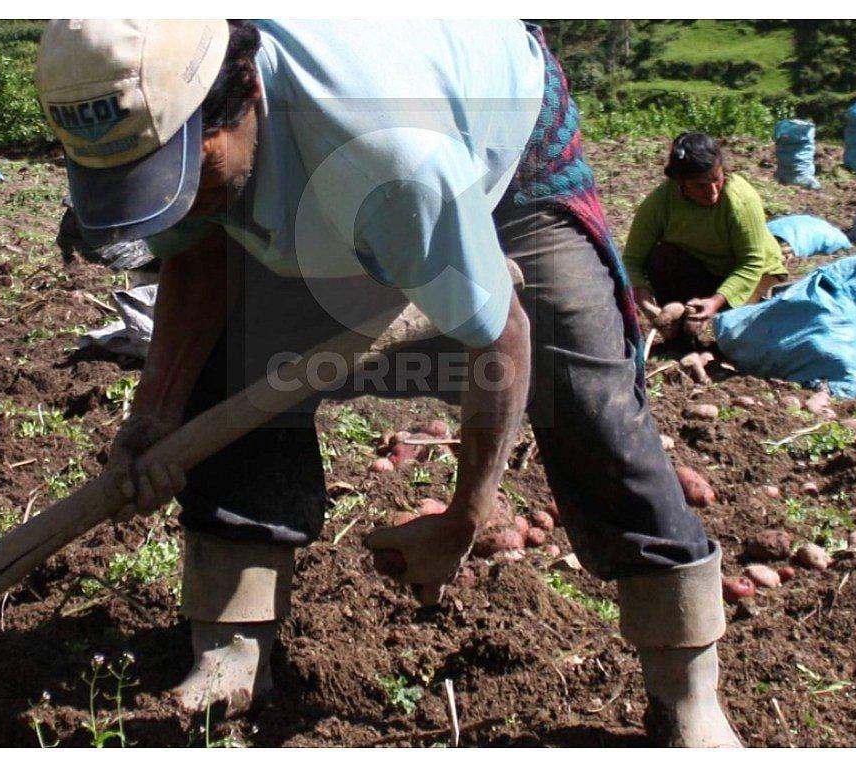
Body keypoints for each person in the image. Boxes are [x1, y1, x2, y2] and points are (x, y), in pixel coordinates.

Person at [36, 20, 741, 747]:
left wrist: (464, 519)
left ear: (246, 95)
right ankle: (232, 642)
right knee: (229, 357)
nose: (179, 201)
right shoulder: (158, 91)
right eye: (158, 184)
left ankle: (686, 683)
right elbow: (194, 254)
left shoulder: (391, 156)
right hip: (355, 156)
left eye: (191, 177)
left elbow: (502, 340)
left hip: (499, 129)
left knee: (584, 391)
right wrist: (156, 415)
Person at [622, 132, 786, 339]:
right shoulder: (660, 203)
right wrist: (648, 307)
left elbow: (751, 262)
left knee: (732, 333)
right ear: (680, 182)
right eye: (700, 185)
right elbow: (632, 261)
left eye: (717, 180)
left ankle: (715, 316)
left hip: (756, 275)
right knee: (662, 256)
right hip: (704, 271)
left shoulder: (740, 200)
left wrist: (716, 302)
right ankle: (679, 327)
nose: (712, 192)